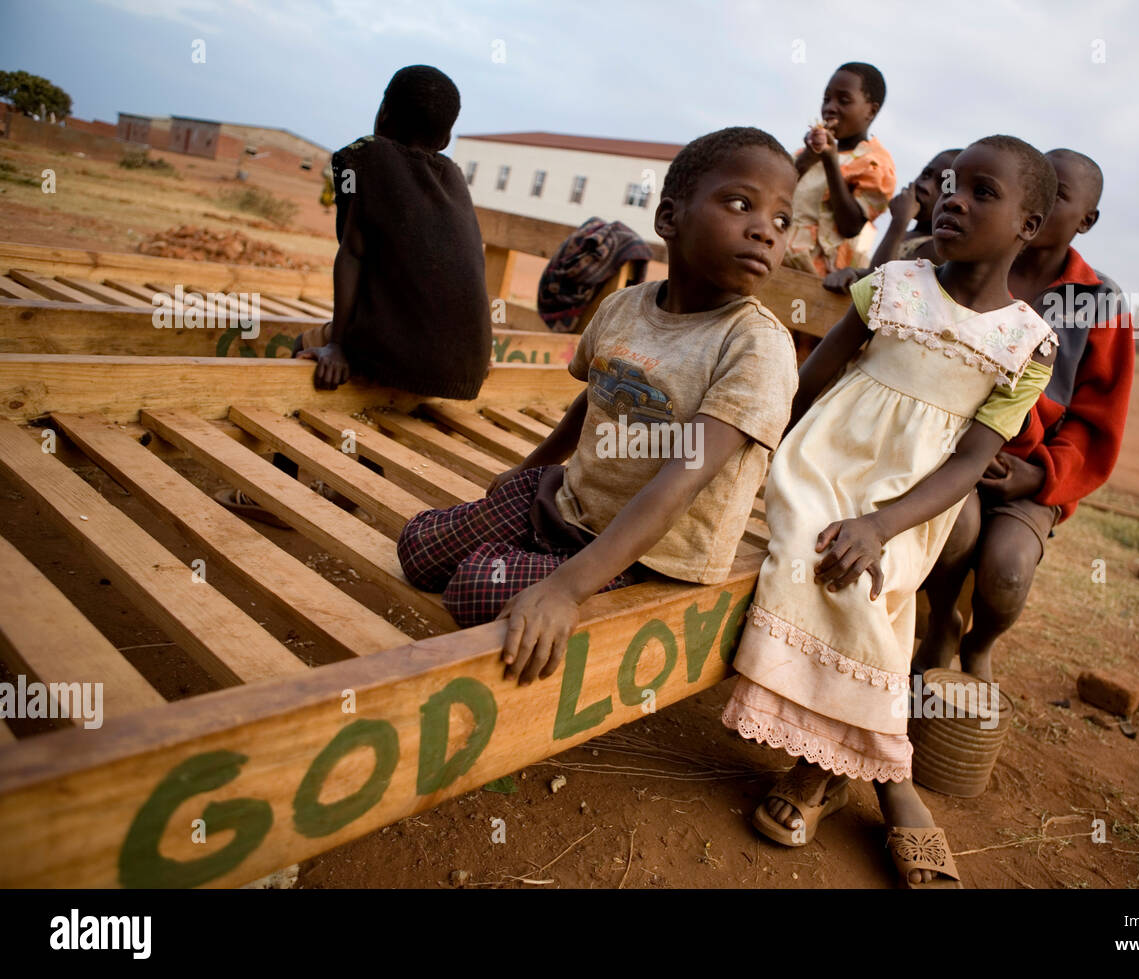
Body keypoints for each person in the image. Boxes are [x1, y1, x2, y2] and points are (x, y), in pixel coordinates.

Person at [721, 136, 1060, 888]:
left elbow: (968, 464)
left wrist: (881, 525)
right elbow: (816, 374)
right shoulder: (895, 283)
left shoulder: (1028, 345)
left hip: (911, 501)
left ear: (1029, 226)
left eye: (982, 191)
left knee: (870, 578)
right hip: (823, 465)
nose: (954, 199)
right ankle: (889, 782)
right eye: (952, 184)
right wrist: (755, 455)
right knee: (824, 562)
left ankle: (821, 771)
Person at [396, 127, 800, 687]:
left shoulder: (755, 345)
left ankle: (540, 565)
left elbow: (682, 482)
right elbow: (595, 396)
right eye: (740, 204)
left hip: (647, 554)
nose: (765, 230)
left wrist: (565, 590)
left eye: (782, 220)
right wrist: (532, 466)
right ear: (669, 218)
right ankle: (528, 548)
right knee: (419, 549)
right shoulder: (624, 307)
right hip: (569, 503)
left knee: (472, 587)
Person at [216, 65, 491, 527]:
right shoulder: (454, 179)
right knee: (384, 376)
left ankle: (278, 493)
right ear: (446, 138)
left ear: (383, 113)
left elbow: (353, 254)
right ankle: (353, 482)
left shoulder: (361, 159)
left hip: (407, 356)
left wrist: (338, 344)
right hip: (464, 367)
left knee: (307, 346)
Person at [915, 149, 1134, 682]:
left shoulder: (1099, 301)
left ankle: (981, 643)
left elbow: (1098, 417)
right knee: (954, 529)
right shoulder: (976, 261)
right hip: (951, 452)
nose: (1043, 199)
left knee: (1007, 571)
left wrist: (1041, 476)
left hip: (1031, 471)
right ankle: (942, 622)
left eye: (1060, 195)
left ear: (1087, 220)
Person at [784, 63, 897, 279]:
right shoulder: (805, 153)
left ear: (871, 111)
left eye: (843, 101)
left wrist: (830, 161)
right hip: (778, 258)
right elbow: (777, 191)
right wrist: (807, 158)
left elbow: (850, 226)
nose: (830, 107)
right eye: (827, 99)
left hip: (816, 276)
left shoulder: (874, 163)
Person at [822, 148, 961, 293]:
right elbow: (873, 272)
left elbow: (882, 284)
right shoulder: (907, 235)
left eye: (943, 185)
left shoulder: (936, 248)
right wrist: (854, 273)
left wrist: (899, 221)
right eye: (926, 174)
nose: (924, 186)